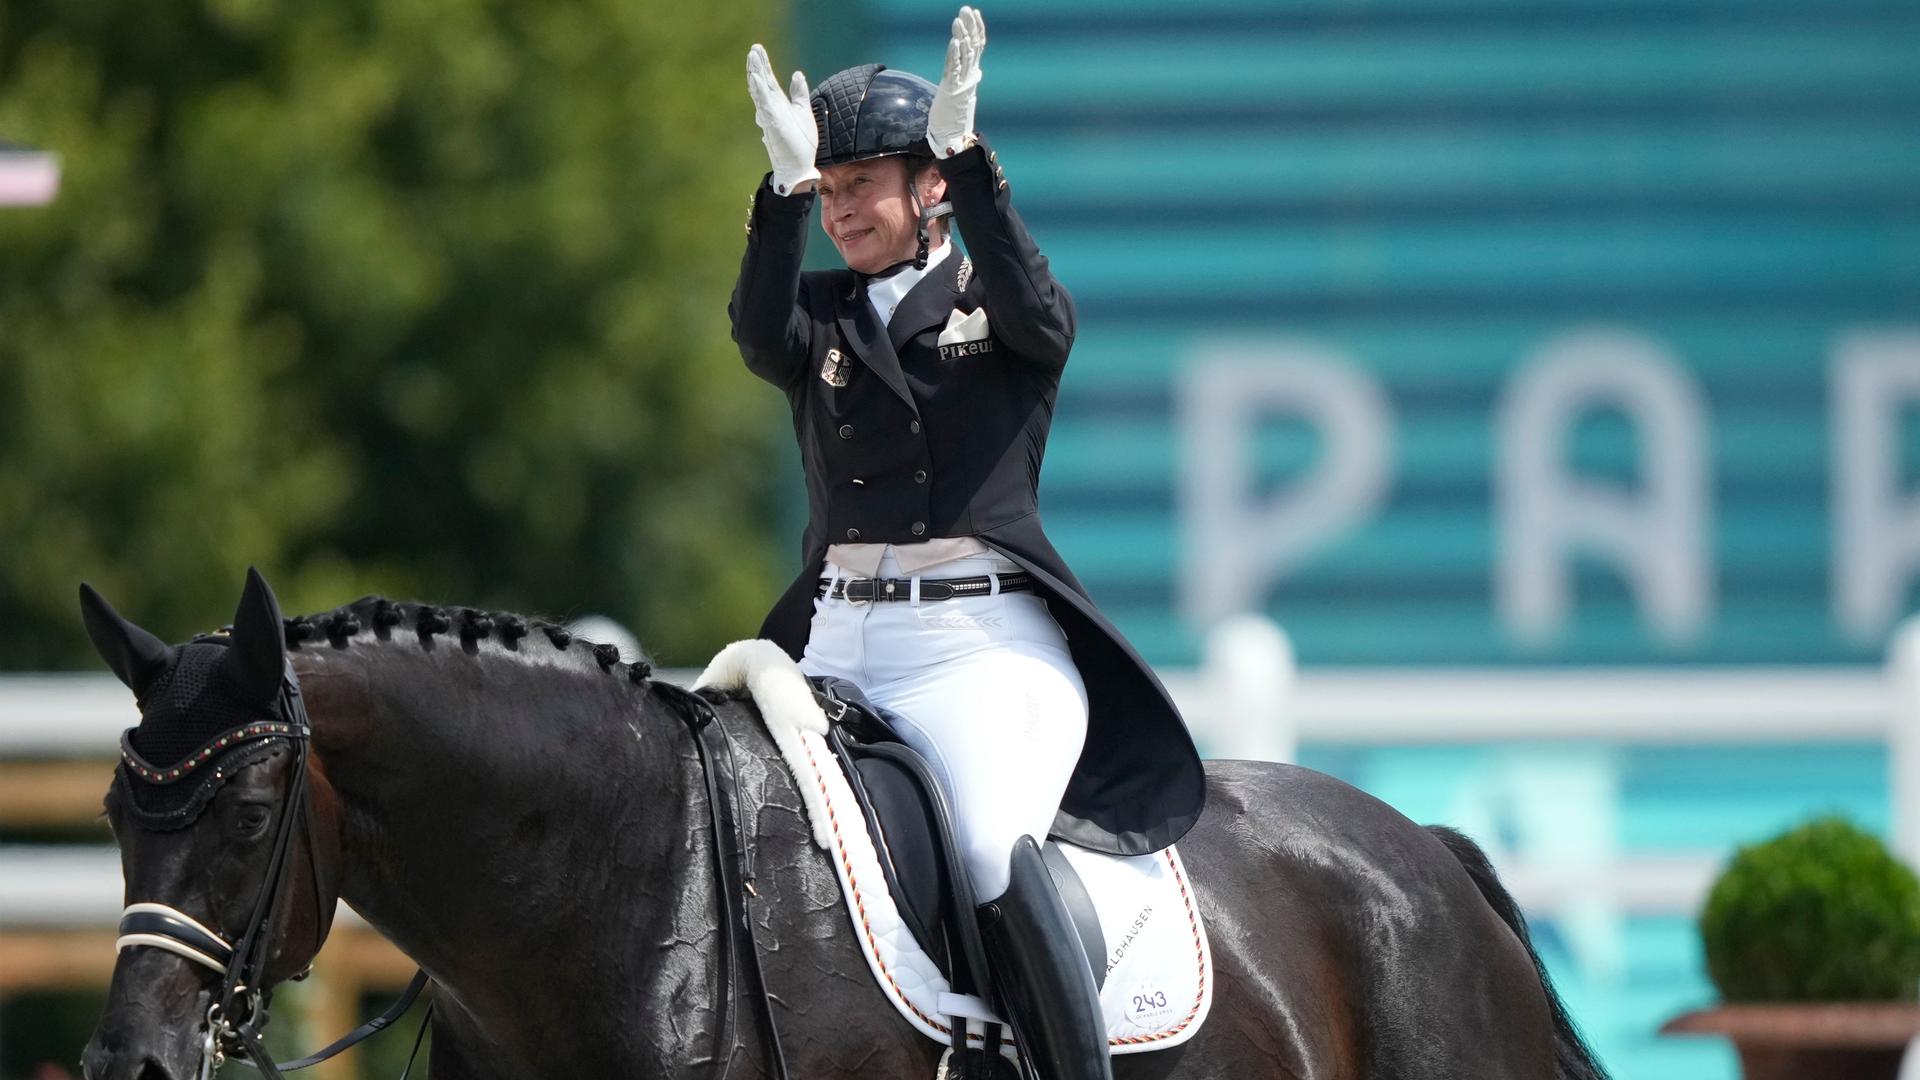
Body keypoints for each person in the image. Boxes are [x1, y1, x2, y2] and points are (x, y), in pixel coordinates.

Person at [732, 10, 1205, 1079]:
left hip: (982, 652)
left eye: (866, 184)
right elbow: (758, 336)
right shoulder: (822, 318)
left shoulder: (999, 312)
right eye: (832, 187)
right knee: (738, 827)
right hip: (840, 645)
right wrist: (779, 201)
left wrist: (973, 167)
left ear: (928, 187)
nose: (844, 207)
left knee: (991, 846)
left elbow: (1047, 320)